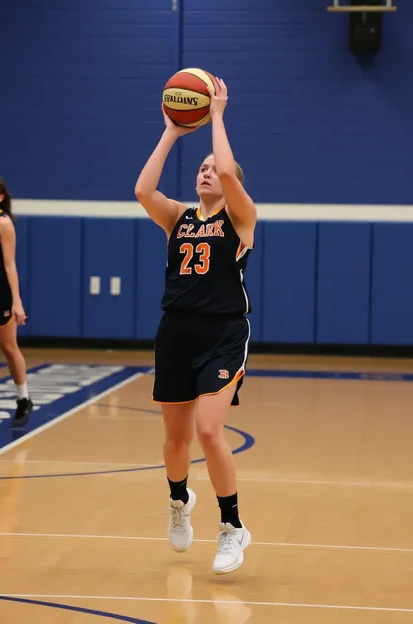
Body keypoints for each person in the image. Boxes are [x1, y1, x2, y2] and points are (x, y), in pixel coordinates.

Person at [135, 78, 257, 574]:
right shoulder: (179, 217)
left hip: (224, 334)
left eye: (213, 170)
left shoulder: (242, 217)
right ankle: (178, 500)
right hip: (176, 332)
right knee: (175, 440)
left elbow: (228, 168)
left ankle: (232, 527)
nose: (208, 172)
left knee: (210, 431)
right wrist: (171, 132)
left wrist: (217, 116)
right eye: (202, 169)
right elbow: (143, 189)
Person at [0, 177, 33, 428]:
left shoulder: (3, 223)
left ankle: (23, 398)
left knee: (9, 347)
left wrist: (17, 302)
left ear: (0, 197)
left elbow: (10, 264)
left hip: (0, 293)